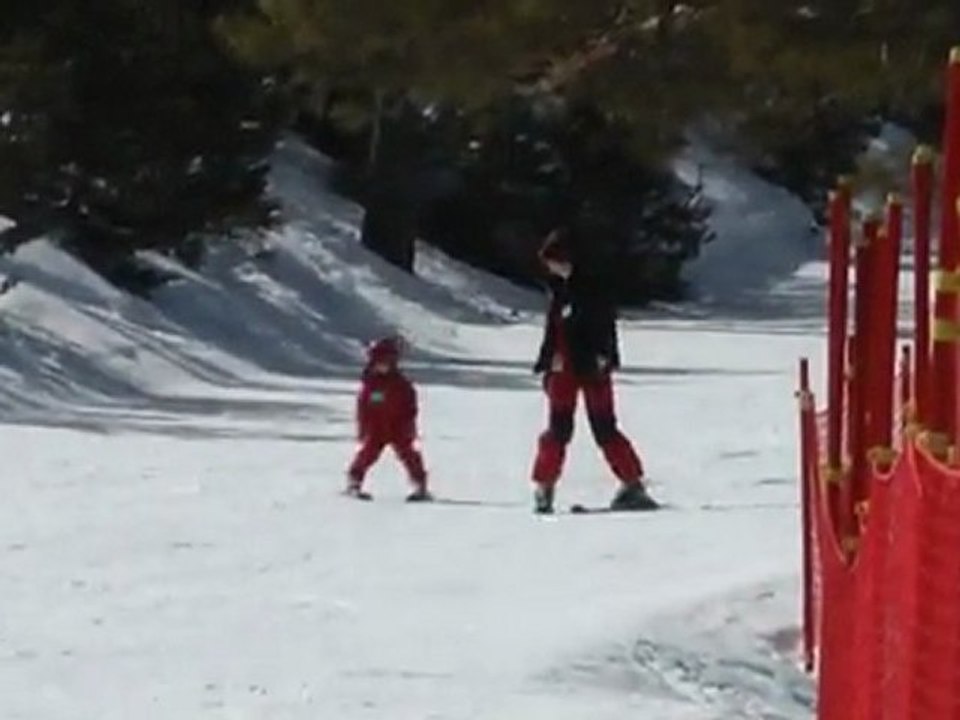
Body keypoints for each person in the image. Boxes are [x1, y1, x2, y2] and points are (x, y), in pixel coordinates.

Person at [530, 228, 658, 514]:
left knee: (604, 428)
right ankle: (544, 484)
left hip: (592, 369)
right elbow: (553, 331)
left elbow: (604, 328)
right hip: (563, 372)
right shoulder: (558, 291)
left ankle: (632, 483)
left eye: (555, 261)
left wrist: (605, 357)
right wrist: (546, 362)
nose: (552, 268)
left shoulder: (592, 290)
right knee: (558, 430)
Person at [347, 336, 432, 502]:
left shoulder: (401, 384)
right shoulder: (370, 384)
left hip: (398, 427)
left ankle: (420, 485)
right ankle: (354, 481)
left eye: (385, 362)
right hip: (376, 427)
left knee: (409, 455)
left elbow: (410, 406)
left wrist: (409, 425)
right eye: (378, 362)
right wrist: (363, 428)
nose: (382, 366)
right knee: (367, 454)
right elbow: (363, 408)